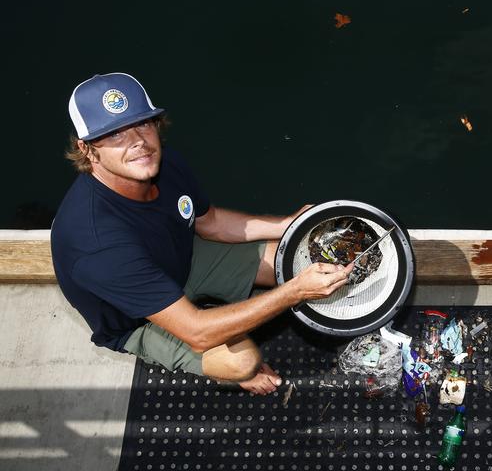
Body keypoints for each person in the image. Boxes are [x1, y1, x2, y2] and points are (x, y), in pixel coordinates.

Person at [51, 72, 353, 395]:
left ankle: (215, 308)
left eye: (143, 123)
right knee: (244, 362)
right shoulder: (97, 244)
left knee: (294, 255)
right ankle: (215, 329)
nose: (137, 141)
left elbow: (211, 223)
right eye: (114, 135)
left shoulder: (161, 164)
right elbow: (196, 333)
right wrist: (295, 292)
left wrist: (286, 224)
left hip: (182, 258)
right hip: (137, 319)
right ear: (86, 149)